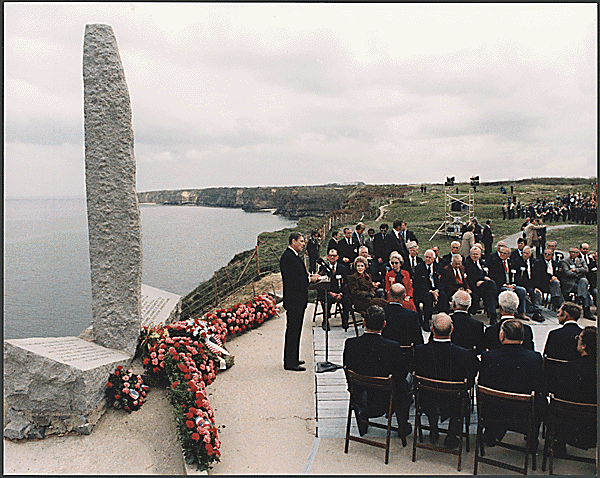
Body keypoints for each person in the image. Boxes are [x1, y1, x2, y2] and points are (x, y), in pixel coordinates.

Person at [343, 305, 412, 440]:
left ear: (364, 322)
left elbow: (348, 368)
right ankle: (403, 425)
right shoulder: (392, 347)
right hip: (386, 400)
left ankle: (362, 420)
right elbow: (401, 373)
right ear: (384, 324)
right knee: (408, 381)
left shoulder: (351, 344)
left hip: (360, 396)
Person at [414, 313, 477, 449]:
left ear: (432, 329)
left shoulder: (419, 351)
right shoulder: (464, 354)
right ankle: (451, 434)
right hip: (454, 401)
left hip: (427, 399)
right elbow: (470, 381)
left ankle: (433, 427)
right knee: (462, 397)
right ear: (452, 329)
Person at [478, 319, 544, 448]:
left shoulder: (488, 357)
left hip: (495, 412)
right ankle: (532, 438)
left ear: (502, 336)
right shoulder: (535, 358)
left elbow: (482, 385)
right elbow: (540, 387)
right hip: (524, 413)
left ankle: (491, 433)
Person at [552, 326, 597, 455]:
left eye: (579, 339)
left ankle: (558, 445)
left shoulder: (565, 369)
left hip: (568, 424)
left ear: (583, 346)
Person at [280, 232, 319, 371]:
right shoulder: (288, 257)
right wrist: (309, 280)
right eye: (301, 241)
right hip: (294, 300)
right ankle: (290, 363)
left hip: (298, 300)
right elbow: (293, 281)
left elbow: (298, 275)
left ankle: (293, 358)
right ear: (293, 241)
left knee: (296, 330)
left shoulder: (293, 256)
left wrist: (309, 276)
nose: (303, 244)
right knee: (293, 330)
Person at [488, 245, 533, 321]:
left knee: (522, 290)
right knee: (510, 292)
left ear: (508, 255)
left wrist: (513, 284)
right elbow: (493, 277)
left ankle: (521, 312)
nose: (502, 254)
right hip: (501, 285)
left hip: (511, 284)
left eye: (505, 253)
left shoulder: (512, 262)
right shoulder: (495, 262)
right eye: (501, 252)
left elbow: (516, 275)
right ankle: (508, 312)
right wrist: (505, 285)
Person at [413, 249, 450, 331]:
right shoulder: (419, 268)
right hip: (424, 291)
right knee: (428, 297)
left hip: (436, 289)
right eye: (426, 257)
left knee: (443, 295)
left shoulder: (439, 266)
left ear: (434, 259)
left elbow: (443, 281)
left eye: (430, 257)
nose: (428, 259)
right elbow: (418, 283)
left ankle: (443, 318)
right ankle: (426, 321)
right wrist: (431, 291)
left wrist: (437, 290)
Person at [463, 246, 499, 324]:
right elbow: (470, 276)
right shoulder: (467, 263)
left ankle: (493, 318)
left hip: (484, 286)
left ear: (480, 255)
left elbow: (489, 272)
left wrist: (483, 280)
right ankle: (498, 298)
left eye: (477, 254)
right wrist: (483, 278)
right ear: (470, 254)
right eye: (473, 254)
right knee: (491, 283)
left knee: (489, 293)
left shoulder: (482, 262)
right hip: (474, 286)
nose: (475, 256)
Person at [318, 248, 351, 330]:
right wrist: (330, 293)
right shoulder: (323, 268)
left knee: (347, 299)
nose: (332, 257)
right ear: (327, 257)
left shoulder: (342, 268)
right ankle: (325, 320)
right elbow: (321, 284)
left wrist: (341, 293)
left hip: (340, 292)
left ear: (337, 257)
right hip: (329, 292)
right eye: (330, 256)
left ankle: (345, 319)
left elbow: (346, 283)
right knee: (326, 299)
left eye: (334, 256)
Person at [560, 247, 594, 319]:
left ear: (578, 253)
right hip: (570, 283)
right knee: (585, 291)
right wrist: (579, 273)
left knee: (584, 281)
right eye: (572, 252)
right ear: (569, 253)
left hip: (579, 282)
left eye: (575, 252)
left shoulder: (581, 260)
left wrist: (575, 270)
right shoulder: (564, 261)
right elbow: (567, 273)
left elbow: (586, 270)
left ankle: (579, 299)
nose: (573, 254)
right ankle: (586, 310)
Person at [512, 246, 544, 322]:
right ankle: (529, 309)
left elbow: (537, 276)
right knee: (524, 292)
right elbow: (515, 276)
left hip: (531, 284)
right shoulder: (516, 261)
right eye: (524, 253)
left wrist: (536, 286)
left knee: (536, 293)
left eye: (527, 253)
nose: (525, 255)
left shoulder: (535, 262)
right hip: (521, 284)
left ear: (531, 254)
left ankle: (537, 311)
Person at [450, 290, 485, 355]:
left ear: (453, 303)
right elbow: (481, 349)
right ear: (469, 305)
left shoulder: (447, 322)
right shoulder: (478, 325)